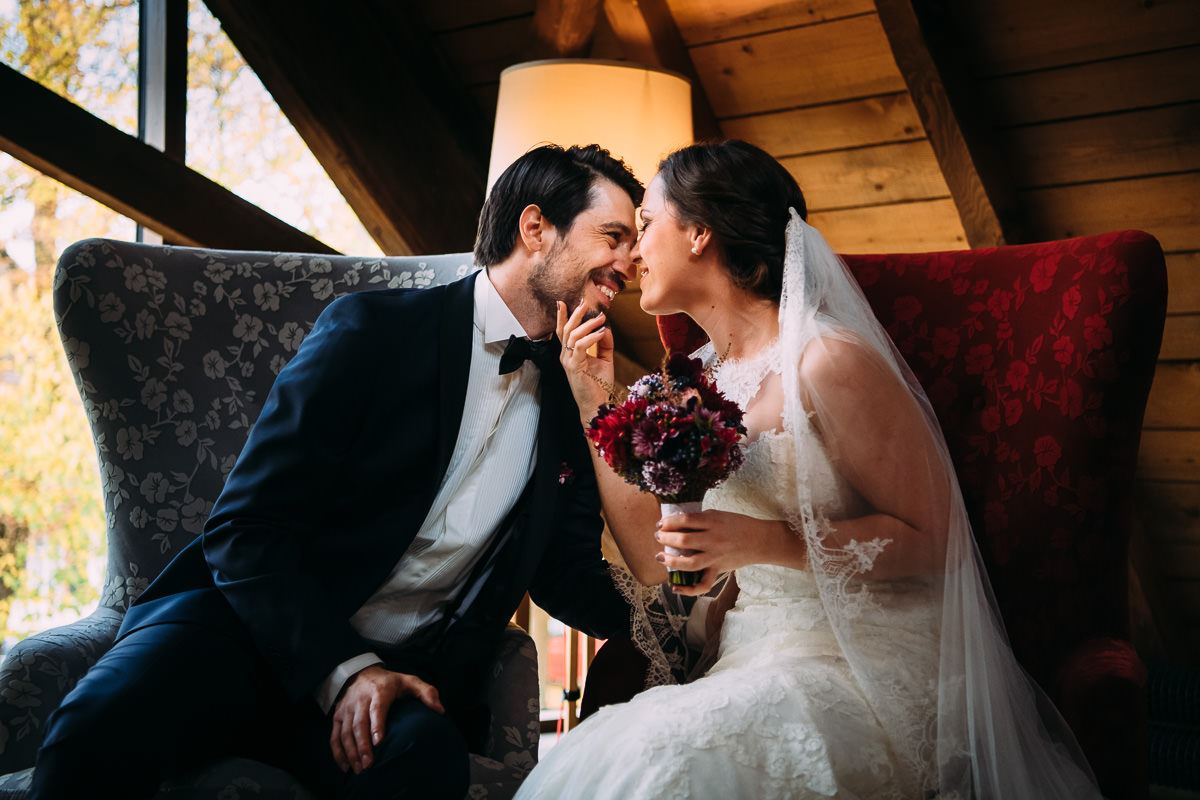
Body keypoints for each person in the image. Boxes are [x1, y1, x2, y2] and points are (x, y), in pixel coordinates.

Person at [29, 143, 642, 800]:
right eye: (614, 236)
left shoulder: (580, 396)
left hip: (404, 676)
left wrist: (676, 620)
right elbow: (246, 529)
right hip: (242, 632)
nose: (629, 263)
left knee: (424, 761)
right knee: (94, 729)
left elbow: (565, 570)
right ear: (535, 227)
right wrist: (343, 670)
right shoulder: (374, 332)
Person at [516, 140, 1103, 799]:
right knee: (605, 757)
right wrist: (594, 393)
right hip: (755, 657)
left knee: (666, 768)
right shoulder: (688, 383)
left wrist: (765, 542)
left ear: (702, 232)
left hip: (869, 663)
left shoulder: (827, 361)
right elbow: (654, 563)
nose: (633, 253)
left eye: (649, 225)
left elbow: (937, 542)